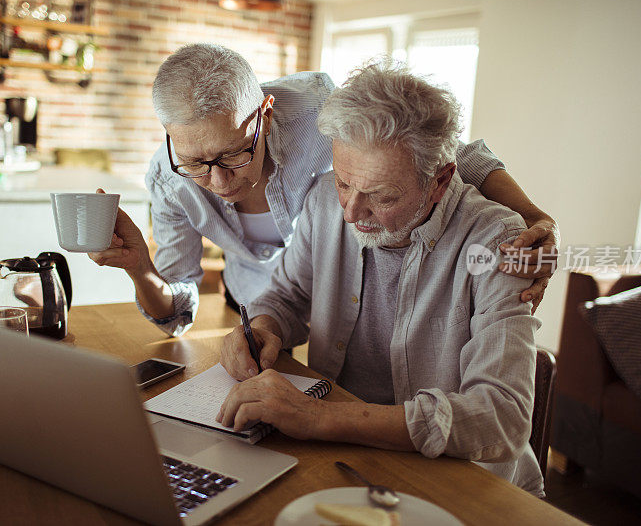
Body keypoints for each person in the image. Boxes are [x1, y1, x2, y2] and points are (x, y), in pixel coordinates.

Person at [216, 60, 544, 496]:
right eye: (344, 183)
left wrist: (318, 418)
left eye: (381, 196)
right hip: (350, 463)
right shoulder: (322, 202)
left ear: (440, 180)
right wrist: (262, 327)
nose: (351, 212)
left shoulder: (499, 241)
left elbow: (502, 417)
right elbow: (289, 293)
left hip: (462, 483)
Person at [89, 43, 558, 336]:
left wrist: (536, 218)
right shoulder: (168, 179)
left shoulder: (316, 104)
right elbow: (178, 309)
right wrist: (140, 270)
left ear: (265, 114)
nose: (218, 181)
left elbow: (448, 153)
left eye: (234, 154)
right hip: (263, 303)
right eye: (195, 162)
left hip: (346, 290)